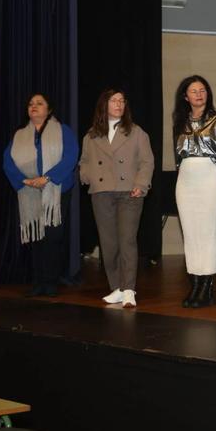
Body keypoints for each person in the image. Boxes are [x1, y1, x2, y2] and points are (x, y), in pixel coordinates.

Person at [79, 88, 154, 308]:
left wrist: (141, 184)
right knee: (109, 243)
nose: (119, 104)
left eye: (122, 101)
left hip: (129, 192)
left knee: (127, 240)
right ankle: (118, 288)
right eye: (114, 101)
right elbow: (84, 161)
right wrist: (87, 176)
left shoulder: (137, 132)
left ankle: (129, 288)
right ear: (104, 105)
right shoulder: (91, 135)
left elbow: (147, 161)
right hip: (102, 192)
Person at [3, 93, 79, 297]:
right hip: (30, 191)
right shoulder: (20, 135)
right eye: (30, 104)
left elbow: (70, 157)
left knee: (53, 237)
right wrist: (24, 180)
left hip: (56, 191)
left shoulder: (63, 131)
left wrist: (47, 178)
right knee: (36, 236)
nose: (33, 106)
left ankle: (51, 281)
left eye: (39, 103)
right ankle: (38, 282)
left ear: (49, 109)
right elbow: (7, 161)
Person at [173, 75, 216, 308]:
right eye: (194, 91)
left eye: (203, 90)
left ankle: (207, 287)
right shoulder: (180, 122)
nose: (199, 94)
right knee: (190, 234)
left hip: (209, 178)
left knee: (207, 233)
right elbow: (177, 157)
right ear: (185, 97)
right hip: (185, 180)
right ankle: (195, 284)